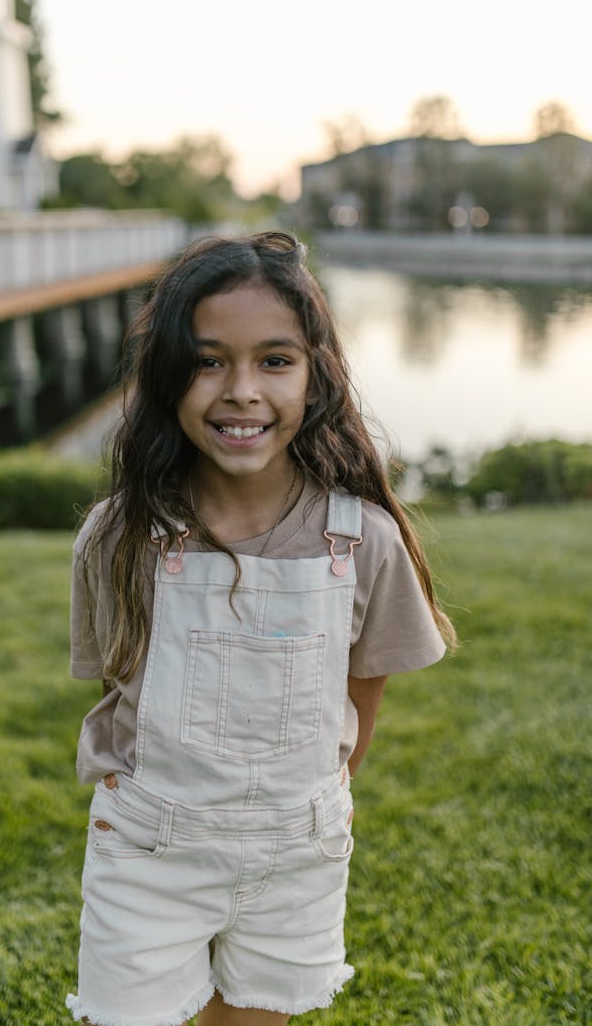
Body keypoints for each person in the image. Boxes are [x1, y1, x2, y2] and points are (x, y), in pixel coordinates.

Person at [65, 231, 455, 1026]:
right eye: (209, 360)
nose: (241, 389)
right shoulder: (119, 535)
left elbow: (360, 699)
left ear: (316, 376)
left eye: (274, 360)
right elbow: (121, 679)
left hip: (295, 854)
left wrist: (295, 799)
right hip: (148, 851)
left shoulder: (362, 541)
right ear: (169, 376)